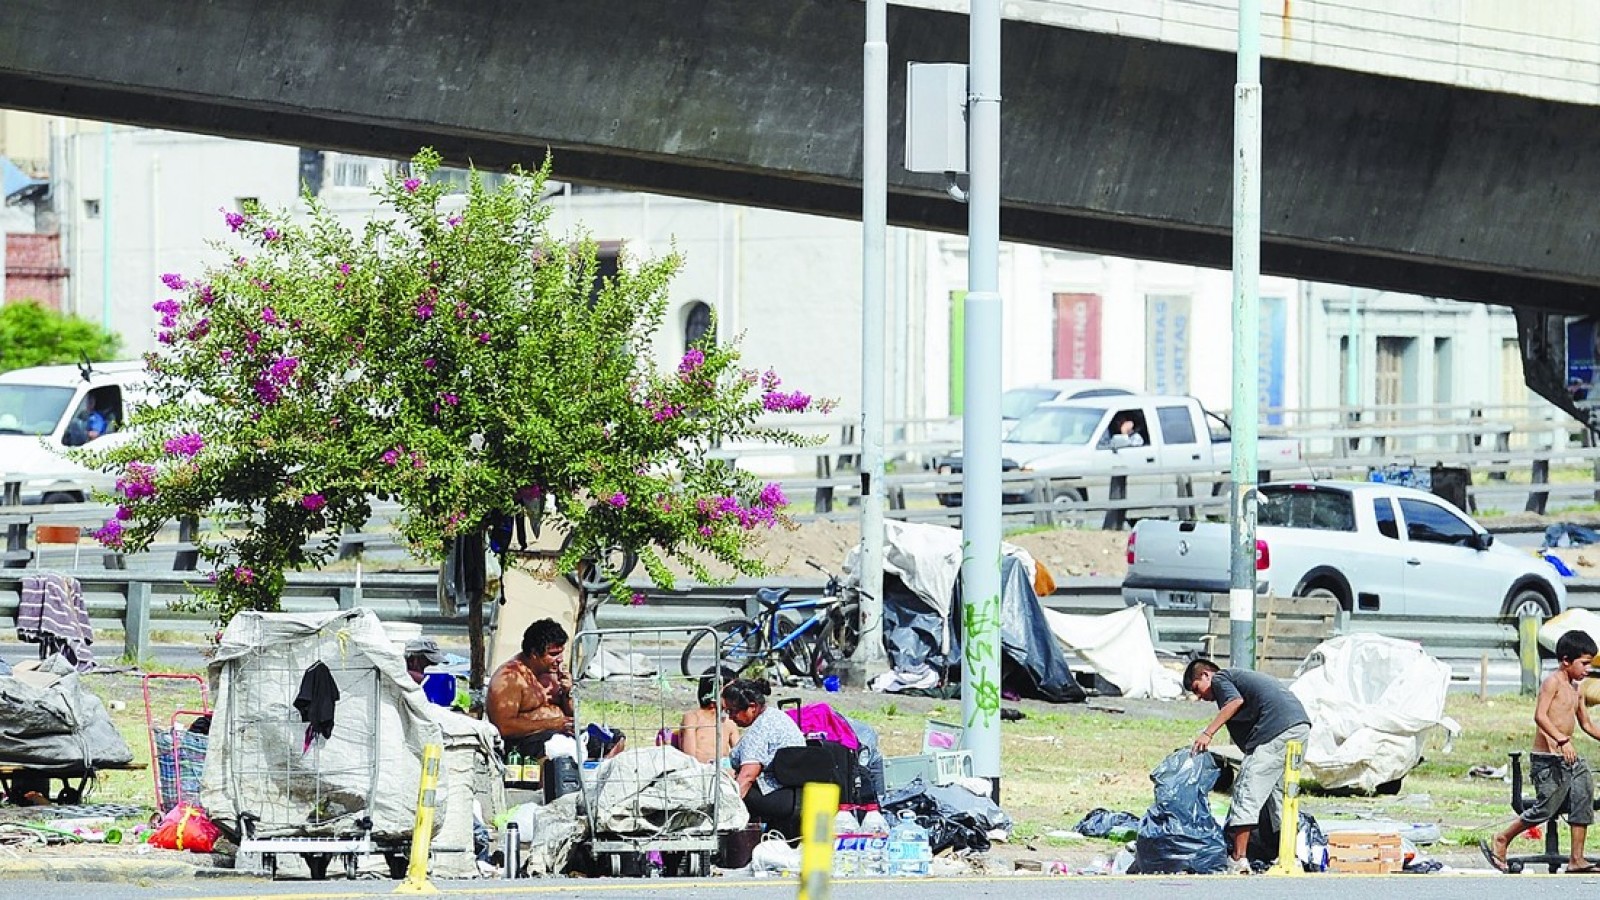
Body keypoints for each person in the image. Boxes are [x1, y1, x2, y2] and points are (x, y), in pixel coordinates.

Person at [1482, 630, 1600, 874]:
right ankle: (1503, 838)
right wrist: (1562, 740)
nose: (1587, 670)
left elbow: (1587, 724)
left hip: (1571, 759)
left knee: (1583, 797)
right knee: (1546, 807)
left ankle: (1576, 859)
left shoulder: (1577, 689)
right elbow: (1540, 716)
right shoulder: (1552, 682)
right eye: (1584, 663)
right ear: (1566, 660)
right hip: (1548, 760)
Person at [1185, 657, 1311, 874]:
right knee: (1281, 797)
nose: (1199, 696)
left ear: (1206, 674)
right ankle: (1289, 857)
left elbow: (1235, 702)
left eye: (1197, 688)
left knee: (1247, 790)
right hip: (1299, 726)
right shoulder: (1238, 680)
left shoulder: (1221, 678)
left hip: (1277, 728)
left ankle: (1238, 859)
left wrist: (1208, 733)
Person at [723, 677, 805, 834]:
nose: (730, 717)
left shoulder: (760, 729)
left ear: (752, 707)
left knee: (726, 791)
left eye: (733, 711)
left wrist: (726, 810)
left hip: (778, 794)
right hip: (793, 793)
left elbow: (748, 776)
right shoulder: (775, 716)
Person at [487, 619, 575, 760]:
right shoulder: (510, 678)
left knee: (606, 740)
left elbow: (572, 715)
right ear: (534, 653)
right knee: (561, 746)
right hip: (525, 744)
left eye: (561, 653)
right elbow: (503, 726)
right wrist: (552, 724)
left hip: (557, 736)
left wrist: (567, 693)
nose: (560, 659)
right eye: (553, 654)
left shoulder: (553, 672)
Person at [677, 669, 740, 765]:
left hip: (724, 769)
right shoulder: (693, 718)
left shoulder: (729, 722)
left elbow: (739, 753)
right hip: (701, 769)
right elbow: (689, 757)